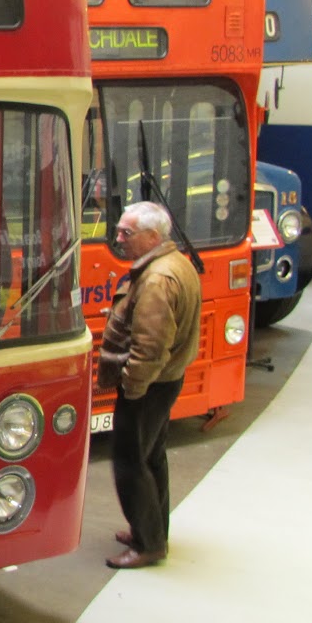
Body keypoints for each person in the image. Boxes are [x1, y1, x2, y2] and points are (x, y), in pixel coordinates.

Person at [95, 200, 201, 569]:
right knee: (152, 456)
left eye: (127, 233)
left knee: (130, 462)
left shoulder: (157, 280)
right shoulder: (175, 264)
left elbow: (150, 347)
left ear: (153, 237)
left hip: (147, 386)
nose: (119, 239)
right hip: (164, 381)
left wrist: (133, 389)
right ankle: (154, 531)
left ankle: (147, 545)